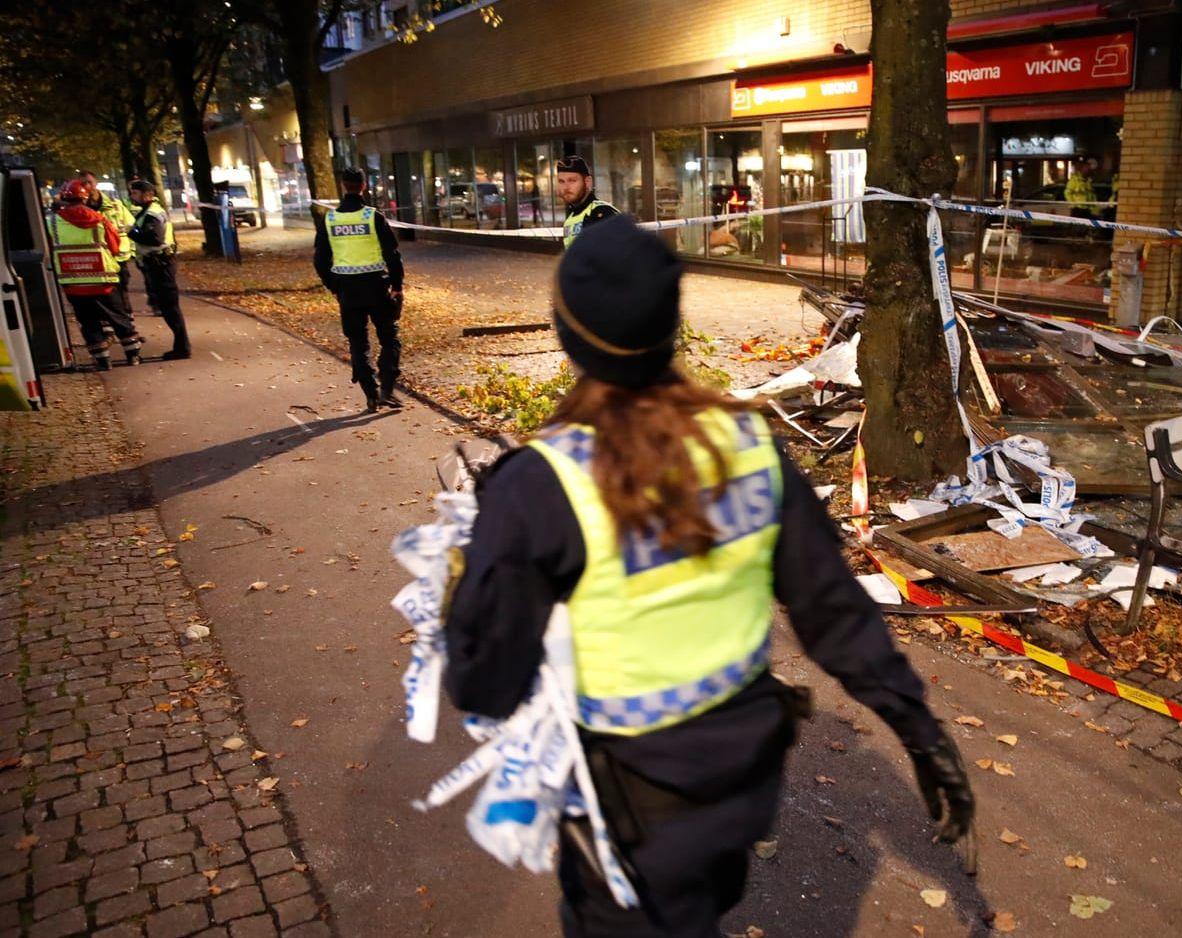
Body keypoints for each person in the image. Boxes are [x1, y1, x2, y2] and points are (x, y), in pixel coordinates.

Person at [443, 215, 974, 938]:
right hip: (743, 784)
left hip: (631, 816)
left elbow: (486, 688)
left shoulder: (541, 485)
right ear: (670, 328)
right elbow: (834, 613)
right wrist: (918, 727)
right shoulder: (751, 443)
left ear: (568, 337)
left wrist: (464, 599)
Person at [313, 168, 404, 412]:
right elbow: (392, 255)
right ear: (363, 186)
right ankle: (387, 389)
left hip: (347, 290)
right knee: (389, 338)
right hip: (376, 287)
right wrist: (397, 286)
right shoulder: (373, 217)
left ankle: (371, 395)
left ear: (344, 186)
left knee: (357, 342)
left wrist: (333, 285)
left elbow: (320, 259)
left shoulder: (330, 220)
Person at [49, 179, 143, 369]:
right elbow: (115, 246)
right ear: (84, 199)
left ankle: (103, 360)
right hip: (104, 281)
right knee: (118, 317)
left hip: (73, 283)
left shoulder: (52, 222)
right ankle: (132, 355)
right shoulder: (100, 219)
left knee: (88, 322)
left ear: (65, 199)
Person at [126, 179, 190, 359]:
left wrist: (131, 232)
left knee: (170, 308)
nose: (132, 197)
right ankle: (181, 347)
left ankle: (182, 348)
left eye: (135, 193)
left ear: (147, 195)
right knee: (168, 307)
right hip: (158, 263)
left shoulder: (152, 214)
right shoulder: (148, 212)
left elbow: (154, 238)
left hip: (161, 264)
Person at [77, 171, 140, 320]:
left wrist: (131, 251)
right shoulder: (79, 209)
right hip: (96, 259)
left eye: (89, 182)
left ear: (96, 183)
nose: (86, 186)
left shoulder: (115, 205)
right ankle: (110, 322)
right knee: (103, 293)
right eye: (82, 183)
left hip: (117, 256)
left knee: (122, 289)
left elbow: (131, 227)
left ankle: (127, 319)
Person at [556, 155, 618, 250]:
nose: (566, 187)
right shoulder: (570, 220)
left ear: (587, 182)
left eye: (572, 180)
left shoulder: (602, 212)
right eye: (561, 181)